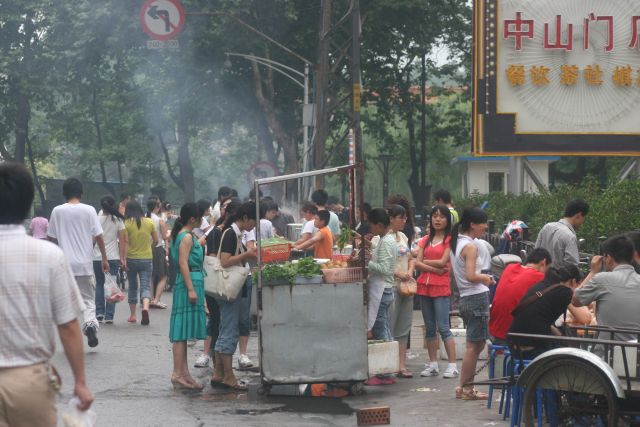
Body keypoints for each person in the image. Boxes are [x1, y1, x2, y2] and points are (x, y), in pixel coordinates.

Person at [0, 162, 93, 426]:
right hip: (29, 383)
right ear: (27, 202)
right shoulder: (49, 256)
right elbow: (67, 326)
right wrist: (81, 383)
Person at [48, 177, 109, 348]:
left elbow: (51, 238)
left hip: (64, 265)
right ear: (81, 193)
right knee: (88, 300)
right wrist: (104, 258)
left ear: (64, 193)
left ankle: (70, 335)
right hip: (84, 264)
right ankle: (90, 324)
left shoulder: (57, 211)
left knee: (67, 301)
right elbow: (99, 236)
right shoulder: (89, 210)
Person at [211, 202, 257, 390]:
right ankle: (228, 376)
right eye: (253, 220)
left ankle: (219, 373)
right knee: (229, 330)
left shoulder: (236, 234)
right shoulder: (231, 234)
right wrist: (246, 255)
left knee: (225, 328)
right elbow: (225, 261)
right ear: (245, 218)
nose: (254, 225)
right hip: (229, 288)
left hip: (232, 288)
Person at [450, 207, 495, 400]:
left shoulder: (456, 243)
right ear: (472, 224)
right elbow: (470, 275)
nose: (485, 226)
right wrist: (485, 278)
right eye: (483, 223)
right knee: (473, 347)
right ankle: (467, 389)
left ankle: (463, 387)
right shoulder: (470, 247)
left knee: (473, 346)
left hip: (466, 297)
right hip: (476, 298)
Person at [415, 205, 458, 379]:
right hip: (424, 286)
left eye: (441, 216)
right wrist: (430, 264)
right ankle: (433, 364)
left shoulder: (449, 239)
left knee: (444, 327)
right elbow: (418, 263)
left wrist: (424, 261)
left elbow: (443, 262)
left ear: (447, 220)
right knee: (430, 328)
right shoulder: (425, 239)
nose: (437, 219)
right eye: (434, 216)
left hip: (440, 286)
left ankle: (453, 365)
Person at [169, 203, 208, 390]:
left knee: (183, 331)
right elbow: (183, 263)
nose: (202, 220)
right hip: (188, 283)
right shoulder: (185, 237)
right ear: (193, 219)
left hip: (192, 281)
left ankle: (184, 373)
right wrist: (191, 289)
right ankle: (177, 373)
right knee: (180, 331)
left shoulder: (188, 235)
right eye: (200, 217)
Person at [573, 234, 640, 341]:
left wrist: (593, 271)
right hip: (636, 352)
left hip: (608, 352)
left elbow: (575, 300)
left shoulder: (602, 279)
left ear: (608, 258)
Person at [509, 265, 582, 359]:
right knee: (571, 356)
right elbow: (585, 317)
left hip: (514, 346)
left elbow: (539, 317)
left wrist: (559, 335)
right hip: (532, 352)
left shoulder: (543, 285)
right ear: (573, 282)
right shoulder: (564, 291)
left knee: (559, 339)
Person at [488, 248, 552, 345]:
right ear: (543, 263)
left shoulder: (509, 268)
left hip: (494, 329)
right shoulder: (539, 277)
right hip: (514, 335)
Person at [382, 205, 415, 379]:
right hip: (391, 286)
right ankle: (388, 366)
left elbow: (410, 259)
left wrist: (409, 272)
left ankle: (401, 365)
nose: (404, 221)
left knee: (404, 327)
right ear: (391, 218)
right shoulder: (382, 239)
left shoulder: (402, 236)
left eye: (404, 218)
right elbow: (381, 265)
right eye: (400, 217)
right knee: (390, 326)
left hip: (406, 287)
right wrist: (398, 273)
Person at [365, 208, 397, 386]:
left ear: (379, 225)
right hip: (384, 289)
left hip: (382, 289)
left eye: (371, 224)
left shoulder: (386, 242)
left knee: (381, 330)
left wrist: (367, 262)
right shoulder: (386, 240)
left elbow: (385, 269)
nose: (371, 228)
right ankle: (387, 369)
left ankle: (384, 373)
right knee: (383, 328)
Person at [122, 200, 158, 325]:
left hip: (131, 259)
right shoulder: (149, 222)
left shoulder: (125, 223)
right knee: (145, 285)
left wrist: (123, 259)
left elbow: (124, 243)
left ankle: (132, 315)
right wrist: (149, 246)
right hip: (146, 258)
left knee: (132, 286)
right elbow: (156, 240)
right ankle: (146, 307)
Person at [93, 195, 126, 324]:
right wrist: (123, 257)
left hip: (96, 257)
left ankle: (99, 313)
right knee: (112, 284)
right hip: (113, 257)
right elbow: (123, 240)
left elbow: (92, 239)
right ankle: (109, 316)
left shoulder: (96, 219)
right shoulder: (117, 219)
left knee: (100, 284)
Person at [535, 199, 589, 269]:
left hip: (540, 276)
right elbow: (572, 267)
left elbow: (536, 251)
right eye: (584, 218)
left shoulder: (546, 227)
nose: (583, 222)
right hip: (557, 279)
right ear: (578, 215)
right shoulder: (569, 236)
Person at [147, 197, 170, 309]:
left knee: (151, 275)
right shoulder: (159, 220)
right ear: (157, 207)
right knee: (163, 275)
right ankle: (156, 300)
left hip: (146, 248)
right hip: (157, 248)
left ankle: (150, 299)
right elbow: (165, 236)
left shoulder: (145, 218)